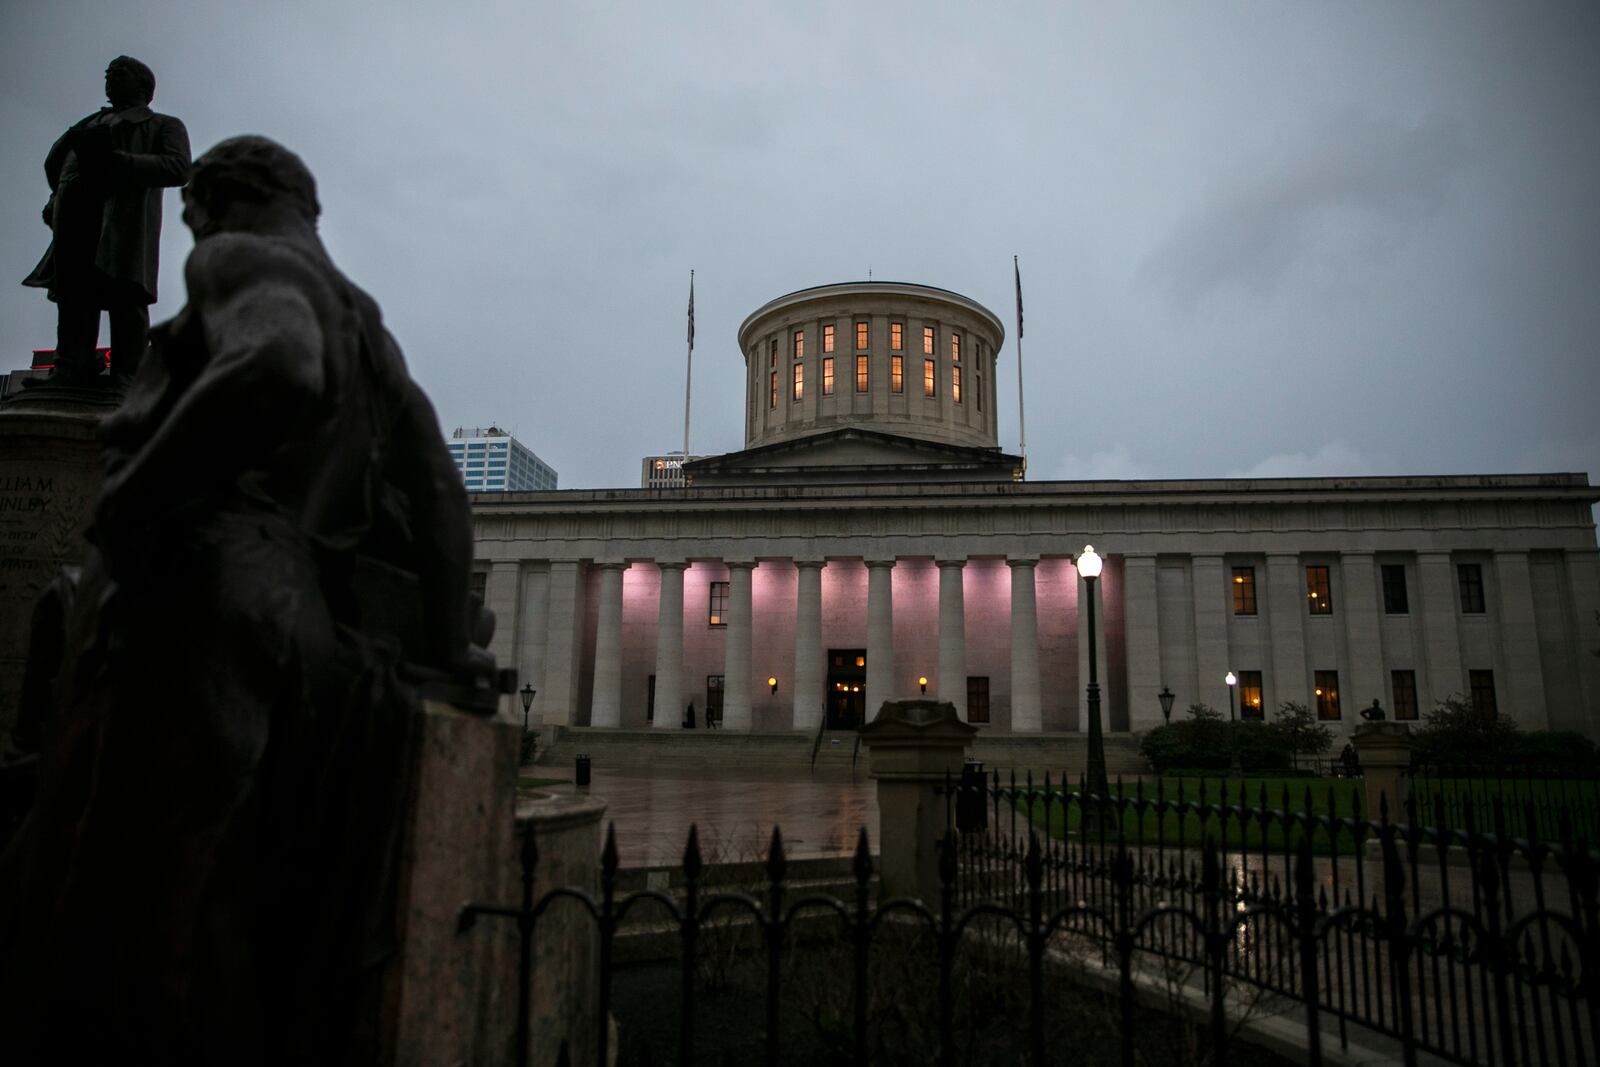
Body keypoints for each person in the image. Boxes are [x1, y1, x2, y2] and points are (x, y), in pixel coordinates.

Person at [0, 135, 487, 1064]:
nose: (190, 225)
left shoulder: (240, 257)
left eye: (193, 211)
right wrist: (447, 651)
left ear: (219, 202)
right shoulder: (366, 320)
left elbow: (277, 363)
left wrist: (133, 489)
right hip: (300, 614)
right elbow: (437, 489)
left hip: (206, 590)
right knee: (233, 892)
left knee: (135, 898)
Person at [22, 56, 190, 385]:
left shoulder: (162, 125)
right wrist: (56, 199)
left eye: (120, 74)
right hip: (74, 219)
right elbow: (63, 167)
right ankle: (70, 369)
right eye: (108, 74)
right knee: (73, 296)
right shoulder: (87, 125)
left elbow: (178, 168)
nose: (110, 79)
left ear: (144, 86)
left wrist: (119, 163)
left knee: (125, 295)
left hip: (124, 222)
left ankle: (129, 376)